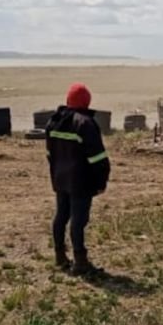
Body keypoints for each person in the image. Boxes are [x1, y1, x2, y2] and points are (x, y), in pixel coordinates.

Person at [46, 83, 110, 276]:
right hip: (81, 181)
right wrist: (101, 182)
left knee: (61, 216)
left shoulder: (54, 121)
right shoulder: (86, 124)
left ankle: (60, 256)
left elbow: (50, 154)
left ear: (68, 100)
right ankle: (80, 262)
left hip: (61, 179)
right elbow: (98, 158)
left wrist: (56, 176)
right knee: (78, 221)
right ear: (86, 101)